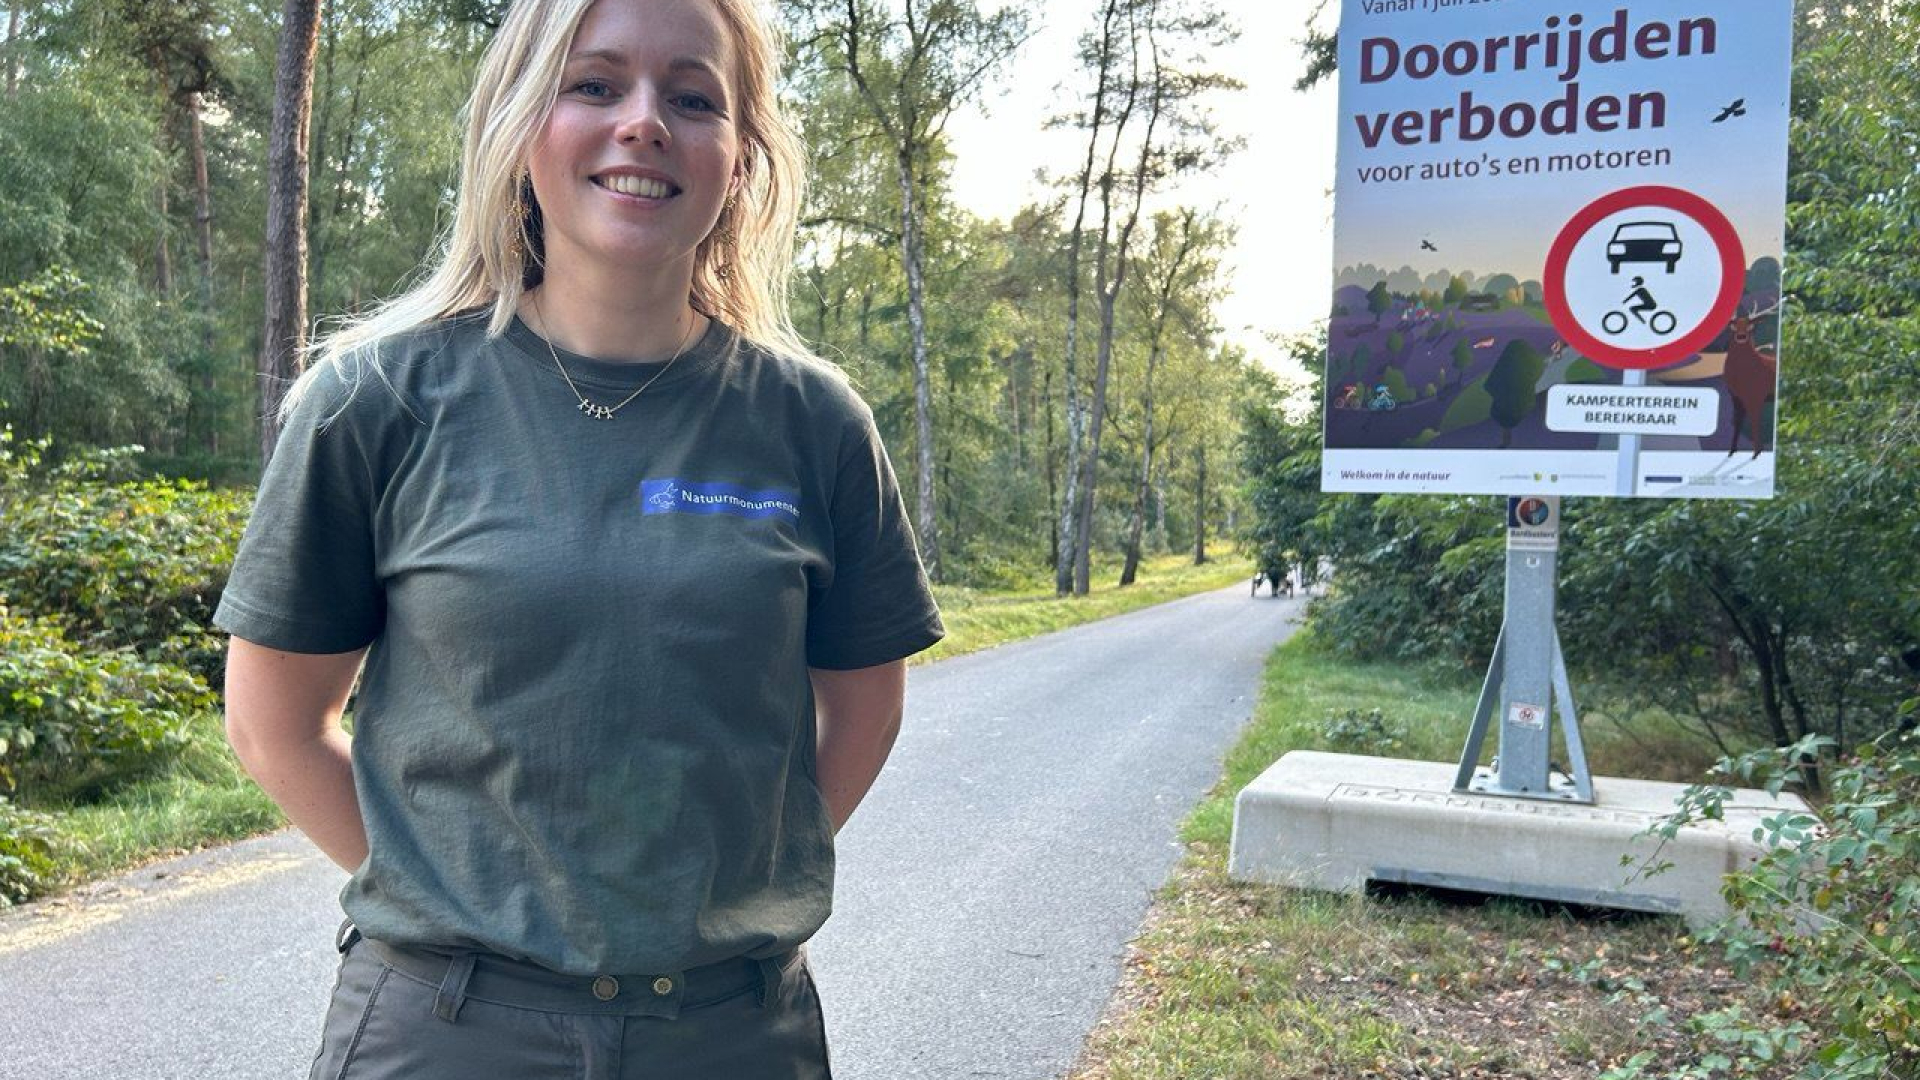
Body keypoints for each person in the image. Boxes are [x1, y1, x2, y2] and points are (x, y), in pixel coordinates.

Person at [216, 1, 943, 1077]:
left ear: (740, 158)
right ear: (519, 128)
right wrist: (456, 889)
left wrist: (713, 889)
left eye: (693, 98)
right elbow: (274, 720)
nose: (644, 123)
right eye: (594, 85)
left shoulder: (815, 424)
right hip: (445, 1032)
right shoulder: (373, 402)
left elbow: (865, 705)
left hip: (733, 1033)